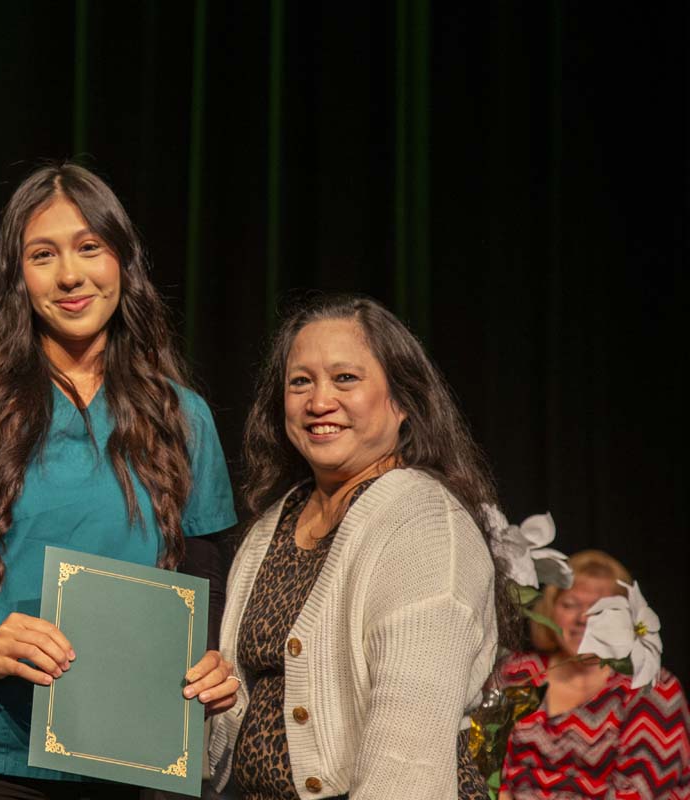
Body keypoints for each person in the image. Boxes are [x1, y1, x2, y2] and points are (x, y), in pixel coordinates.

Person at [0, 163, 239, 799]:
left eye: (89, 247)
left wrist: (203, 666)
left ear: (123, 260)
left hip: (128, 763)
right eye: (43, 255)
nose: (69, 275)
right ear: (17, 275)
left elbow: (202, 584)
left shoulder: (183, 418)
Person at [208, 293, 511, 799]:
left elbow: (408, 755)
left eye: (345, 378)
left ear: (403, 401)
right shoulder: (275, 523)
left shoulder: (424, 525)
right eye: (300, 382)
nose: (318, 402)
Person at [496, 550, 690, 799]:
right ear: (551, 610)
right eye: (570, 604)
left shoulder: (652, 686)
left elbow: (640, 791)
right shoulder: (516, 672)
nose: (583, 618)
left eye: (600, 609)